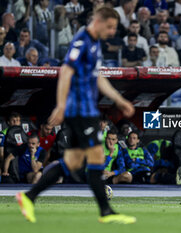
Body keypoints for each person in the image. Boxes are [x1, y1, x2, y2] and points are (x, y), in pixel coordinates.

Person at [16, 6, 136, 224]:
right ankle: (106, 212)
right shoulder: (81, 41)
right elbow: (66, 72)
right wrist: (61, 106)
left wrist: (119, 100)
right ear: (98, 21)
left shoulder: (94, 43)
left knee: (72, 161)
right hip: (79, 110)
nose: (111, 32)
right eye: (109, 27)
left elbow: (97, 76)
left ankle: (28, 197)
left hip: (87, 109)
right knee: (97, 157)